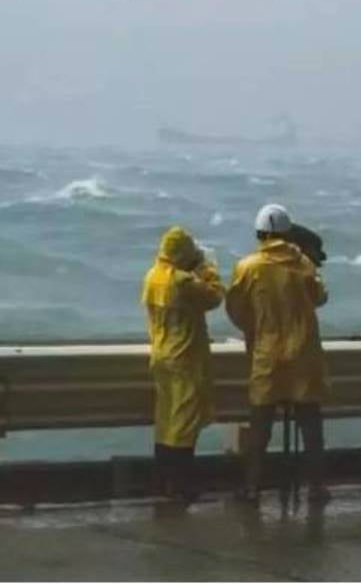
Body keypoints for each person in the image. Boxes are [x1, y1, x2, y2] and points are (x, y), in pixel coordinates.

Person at [225, 204, 331, 504]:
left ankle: (252, 488)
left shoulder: (248, 267)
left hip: (267, 354)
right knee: (310, 424)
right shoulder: (305, 265)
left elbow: (235, 308)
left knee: (261, 424)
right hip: (304, 355)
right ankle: (317, 488)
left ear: (260, 234)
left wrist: (256, 330)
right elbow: (320, 298)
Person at [141, 225, 225, 503]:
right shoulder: (182, 281)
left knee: (165, 420)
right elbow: (214, 296)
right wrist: (207, 268)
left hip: (161, 354)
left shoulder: (153, 276)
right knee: (184, 423)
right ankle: (180, 484)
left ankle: (162, 480)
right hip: (185, 357)